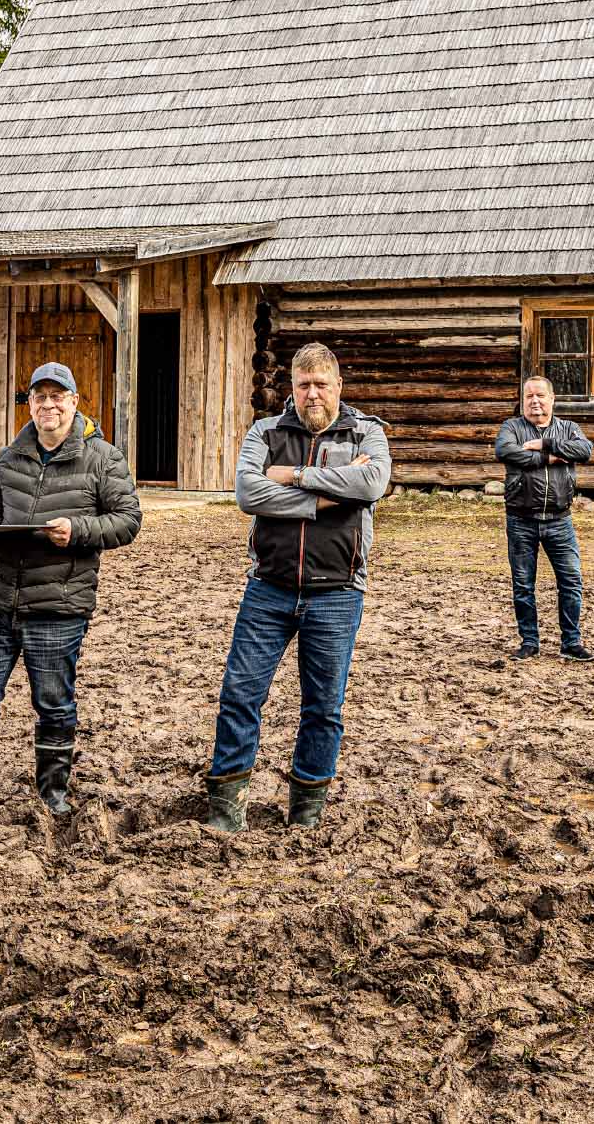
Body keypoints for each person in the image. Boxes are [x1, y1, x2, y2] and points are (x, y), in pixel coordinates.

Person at [0, 362, 141, 823]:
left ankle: (53, 794)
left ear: (74, 401)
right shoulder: (10, 458)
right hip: (1, 600)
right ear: (31, 404)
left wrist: (79, 529)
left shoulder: (103, 458)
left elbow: (128, 521)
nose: (48, 404)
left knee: (52, 701)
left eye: (57, 395)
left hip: (59, 604)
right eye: (39, 396)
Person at [202, 343, 392, 833]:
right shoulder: (265, 431)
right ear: (292, 387)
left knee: (323, 705)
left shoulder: (365, 431)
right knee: (240, 693)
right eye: (303, 385)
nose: (312, 395)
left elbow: (371, 484)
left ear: (338, 387)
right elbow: (248, 493)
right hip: (269, 586)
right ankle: (226, 806)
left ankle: (307, 810)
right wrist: (325, 499)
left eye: (321, 385)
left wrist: (296, 476)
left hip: (338, 589)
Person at [493, 376, 594, 661]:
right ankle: (529, 642)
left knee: (571, 580)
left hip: (560, 520)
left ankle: (571, 642)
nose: (535, 401)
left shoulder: (568, 428)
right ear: (522, 400)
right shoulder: (511, 427)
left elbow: (585, 450)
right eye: (529, 396)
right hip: (521, 519)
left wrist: (543, 443)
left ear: (552, 399)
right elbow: (505, 451)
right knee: (524, 583)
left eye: (540, 395)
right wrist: (548, 458)